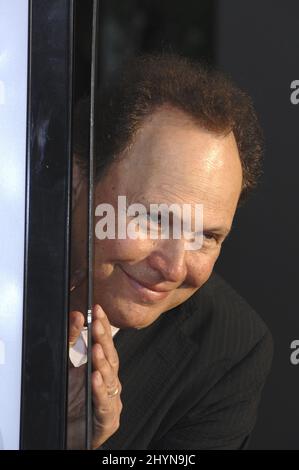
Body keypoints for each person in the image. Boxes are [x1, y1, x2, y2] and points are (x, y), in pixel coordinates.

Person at [67, 54, 273, 450]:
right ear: (79, 177)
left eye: (207, 237)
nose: (175, 267)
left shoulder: (227, 351)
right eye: (155, 219)